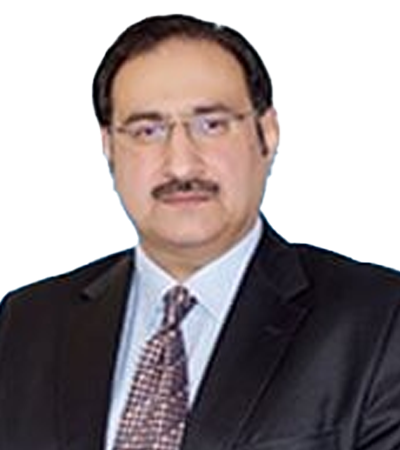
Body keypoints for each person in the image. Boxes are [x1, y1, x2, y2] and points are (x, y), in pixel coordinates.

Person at [0, 14, 399, 450]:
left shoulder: (380, 320)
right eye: (147, 130)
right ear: (109, 146)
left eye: (211, 124)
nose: (181, 165)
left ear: (267, 133)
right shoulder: (26, 324)